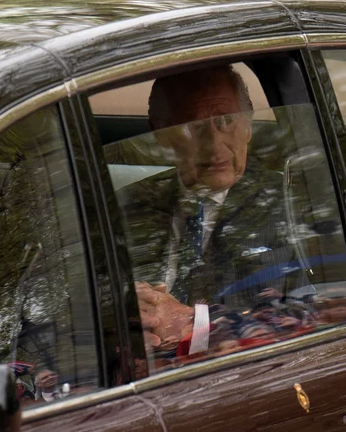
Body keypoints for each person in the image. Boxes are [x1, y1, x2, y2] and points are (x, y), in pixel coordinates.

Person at [119, 65, 312, 364]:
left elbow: (315, 316)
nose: (214, 144)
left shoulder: (294, 203)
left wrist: (191, 322)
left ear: (247, 125)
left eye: (225, 121)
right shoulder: (123, 205)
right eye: (194, 127)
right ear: (160, 133)